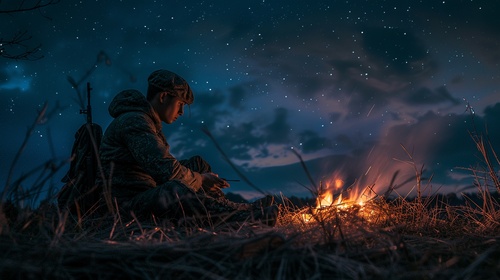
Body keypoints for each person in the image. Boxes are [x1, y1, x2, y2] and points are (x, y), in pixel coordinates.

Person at [96, 69, 278, 227]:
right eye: (180, 104)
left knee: (197, 163)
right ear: (163, 97)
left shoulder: (145, 121)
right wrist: (200, 180)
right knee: (175, 190)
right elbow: (165, 170)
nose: (181, 112)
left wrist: (201, 176)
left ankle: (225, 205)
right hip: (127, 204)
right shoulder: (135, 121)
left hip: (145, 191)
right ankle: (245, 216)